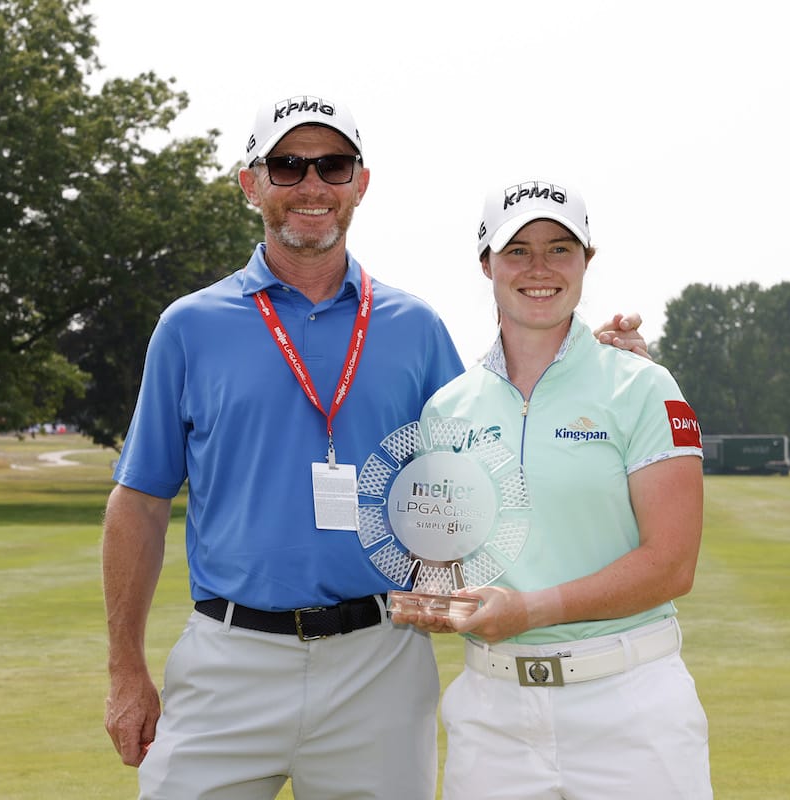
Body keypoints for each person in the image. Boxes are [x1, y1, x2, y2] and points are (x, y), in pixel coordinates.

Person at [101, 96, 649, 800]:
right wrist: (125, 672)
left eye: (332, 165)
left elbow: (496, 446)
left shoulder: (413, 326)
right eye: (287, 165)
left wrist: (597, 365)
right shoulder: (190, 326)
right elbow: (139, 502)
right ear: (251, 183)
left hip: (381, 663)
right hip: (226, 661)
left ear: (360, 183)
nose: (311, 186)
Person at [394, 179, 711, 798]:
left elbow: (672, 565)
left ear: (587, 260)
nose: (539, 268)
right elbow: (442, 559)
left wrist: (528, 611)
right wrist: (432, 596)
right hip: (492, 713)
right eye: (517, 251)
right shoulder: (446, 409)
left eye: (560, 249)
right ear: (486, 263)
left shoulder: (644, 386)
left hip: (630, 705)